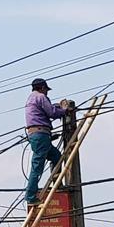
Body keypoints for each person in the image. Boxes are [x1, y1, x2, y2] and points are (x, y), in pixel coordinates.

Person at [24, 78, 72, 206]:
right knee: (37, 167)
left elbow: (47, 109)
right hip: (41, 134)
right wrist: (65, 111)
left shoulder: (30, 99)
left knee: (56, 156)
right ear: (42, 88)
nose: (47, 92)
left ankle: (57, 182)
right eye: (46, 90)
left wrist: (56, 107)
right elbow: (51, 112)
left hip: (37, 135)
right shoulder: (41, 97)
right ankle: (30, 196)